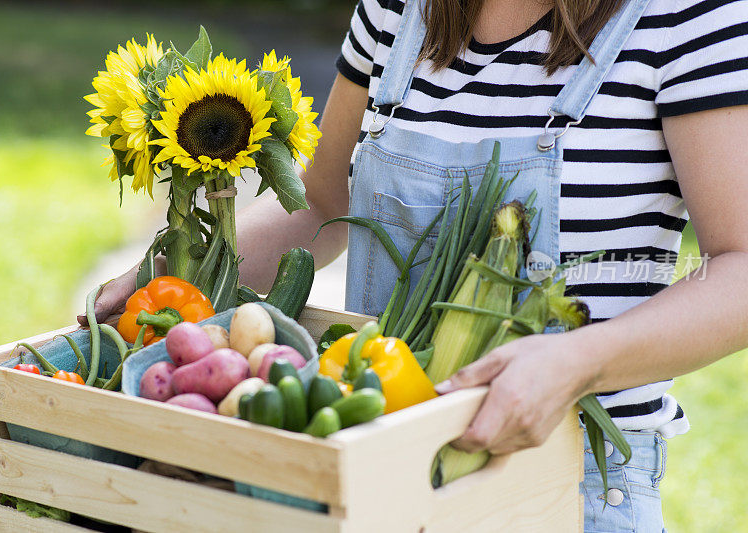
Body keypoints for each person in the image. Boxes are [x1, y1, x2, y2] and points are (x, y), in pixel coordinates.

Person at [82, 0, 748, 530]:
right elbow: (319, 201)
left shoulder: (689, 14)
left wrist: (581, 360)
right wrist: (179, 283)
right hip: (368, 471)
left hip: (564, 493)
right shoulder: (397, 10)